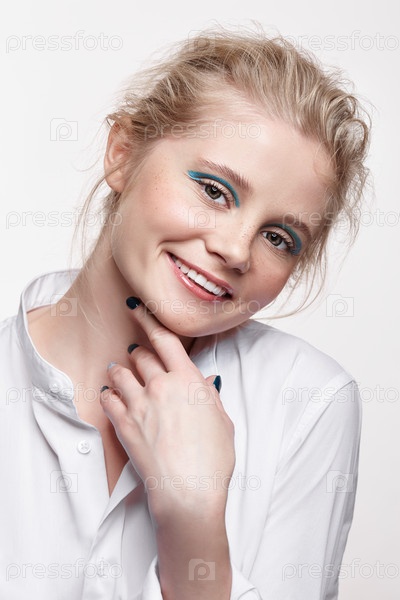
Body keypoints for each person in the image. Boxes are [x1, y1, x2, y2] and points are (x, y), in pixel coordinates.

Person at [1, 27, 369, 600]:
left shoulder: (310, 401)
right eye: (215, 191)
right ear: (123, 154)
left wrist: (192, 519)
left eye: (278, 237)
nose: (237, 250)